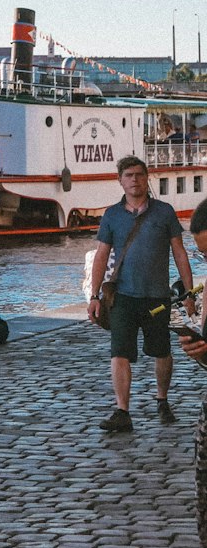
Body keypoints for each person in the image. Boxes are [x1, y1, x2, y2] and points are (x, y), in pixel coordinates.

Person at [88, 154, 195, 433]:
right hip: (122, 296)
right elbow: (101, 256)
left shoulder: (165, 212)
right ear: (120, 181)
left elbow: (179, 252)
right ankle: (122, 410)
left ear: (147, 178)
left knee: (161, 351)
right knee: (119, 352)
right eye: (129, 175)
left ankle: (162, 399)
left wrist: (188, 292)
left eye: (139, 174)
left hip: (157, 296)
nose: (134, 180)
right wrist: (94, 296)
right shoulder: (112, 215)